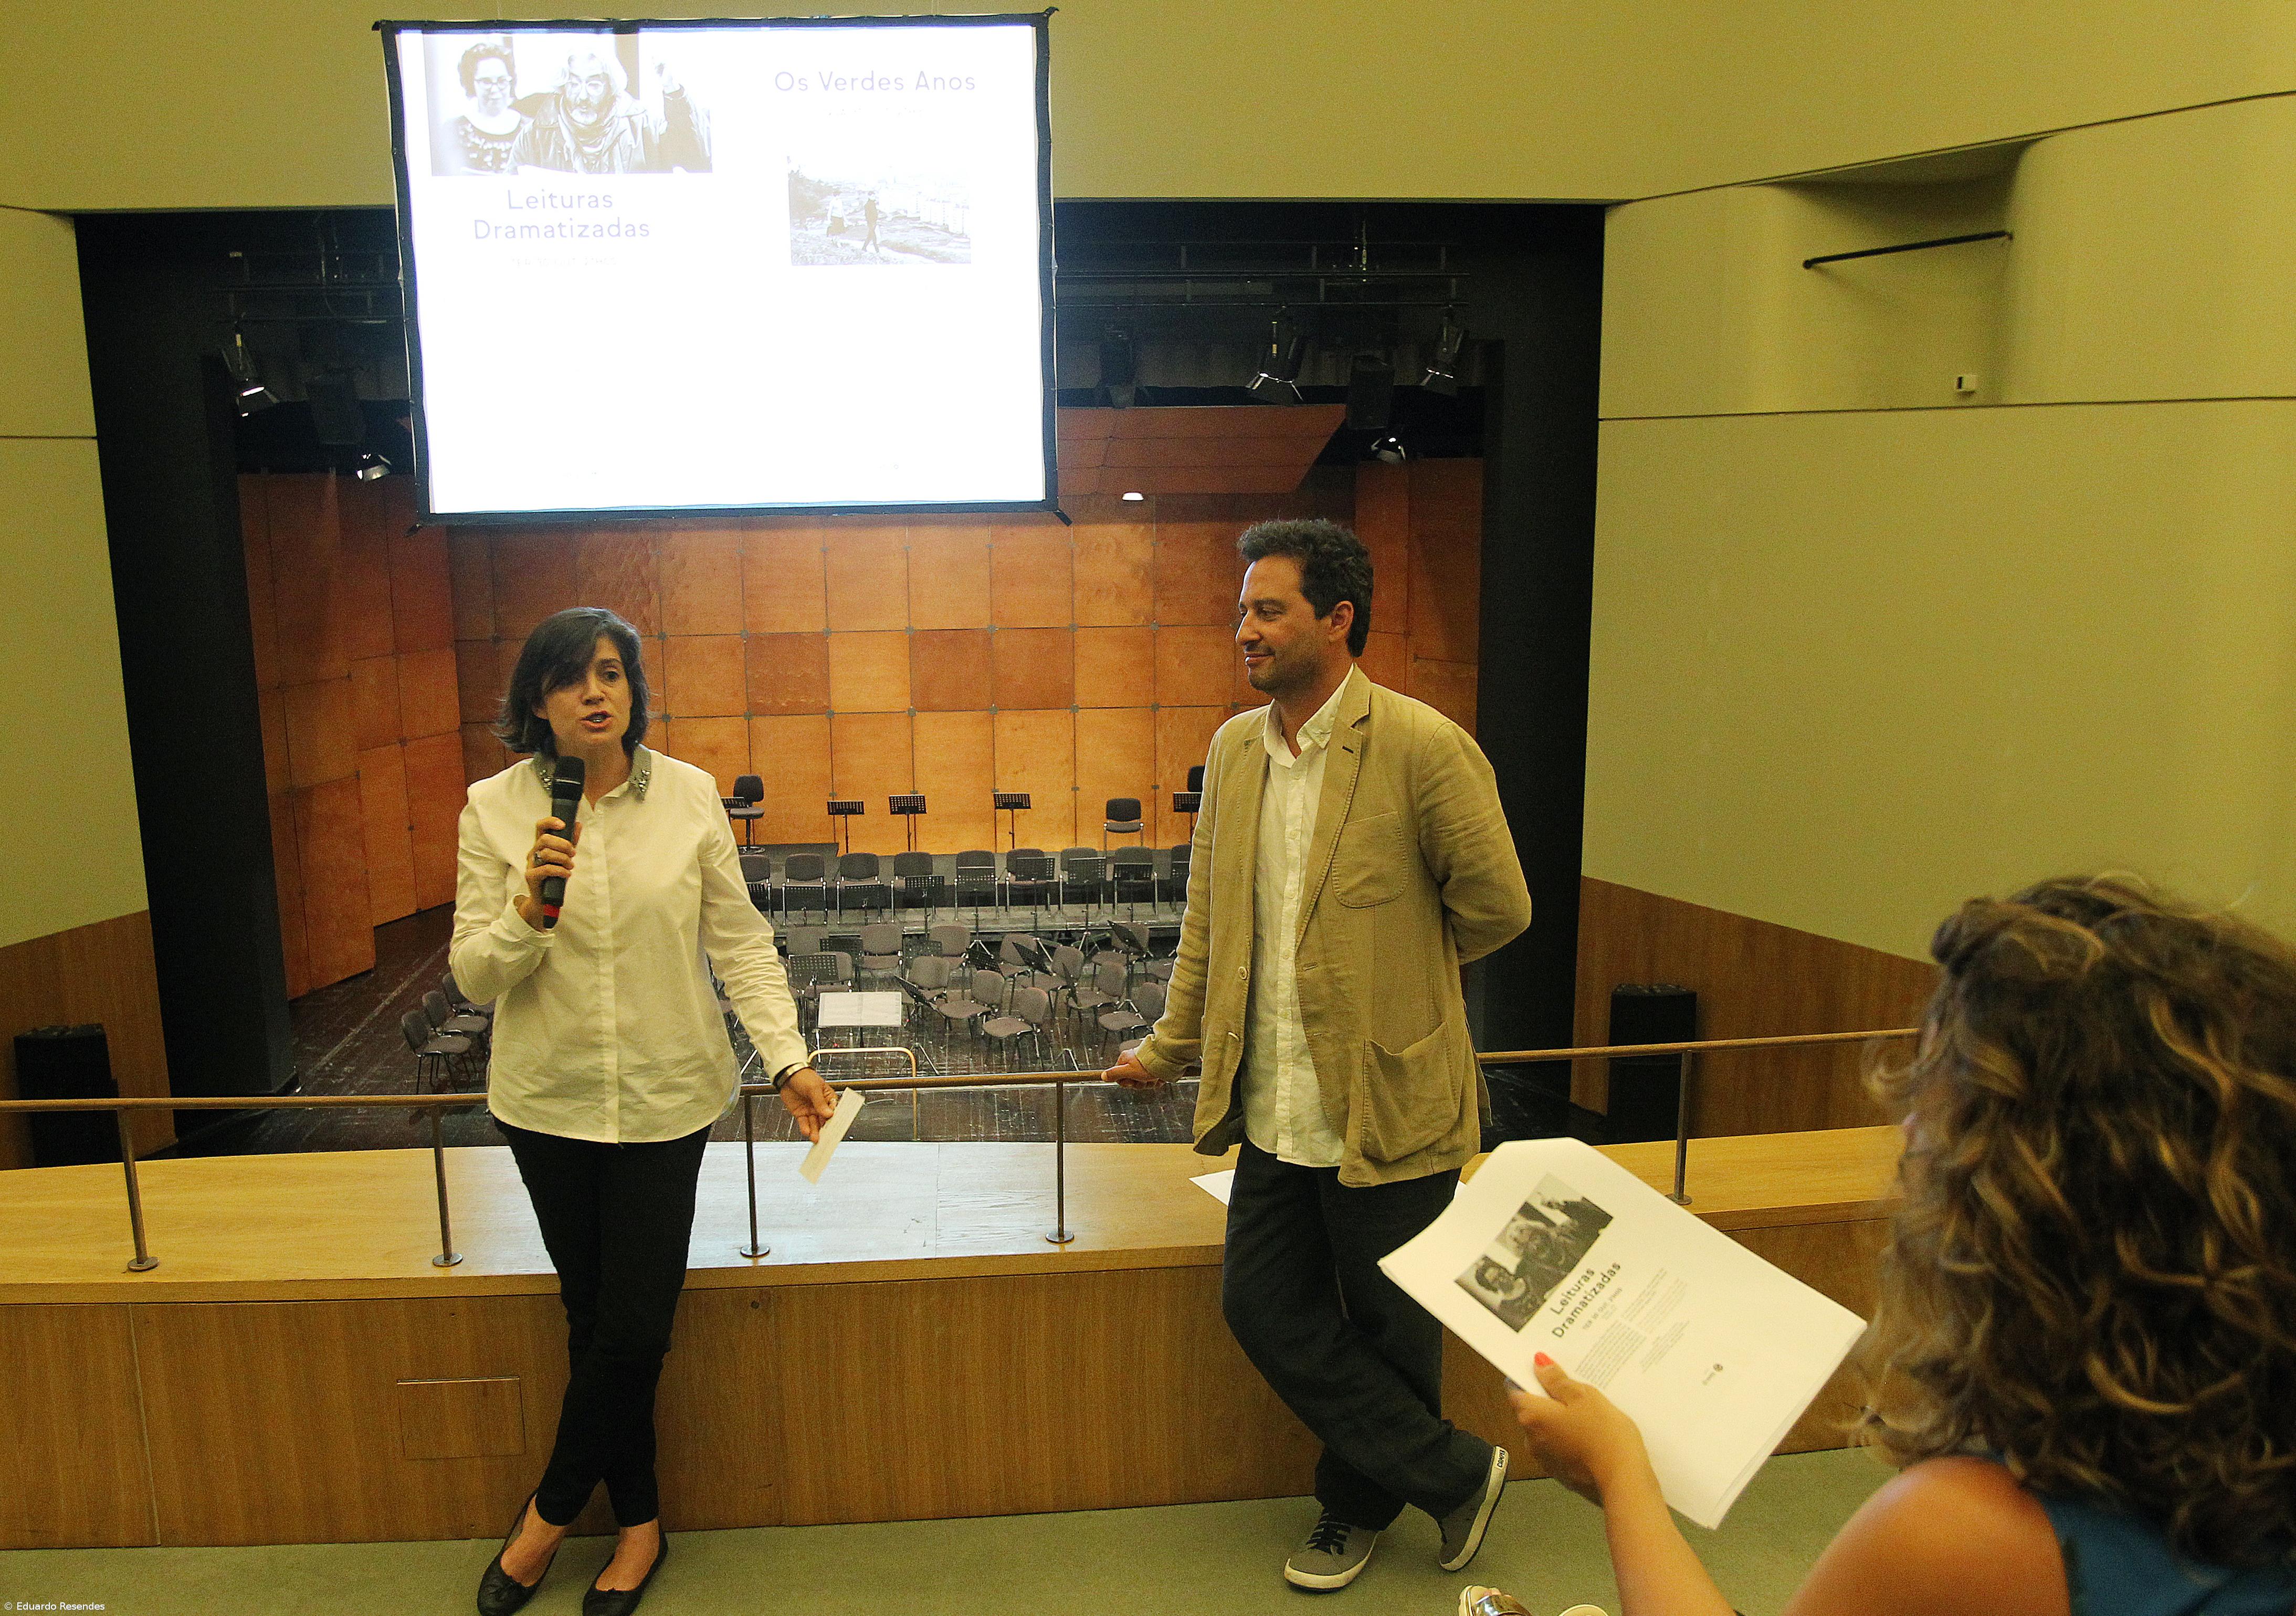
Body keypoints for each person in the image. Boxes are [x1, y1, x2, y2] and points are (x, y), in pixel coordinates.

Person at [1486, 876, 2296, 1616]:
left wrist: (1621, 1476)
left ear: (2032, 1206)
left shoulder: (1961, 1535)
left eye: (1941, 1094)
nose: (1907, 1131)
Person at [1107, 519, 1532, 1591]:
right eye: (1241, 610)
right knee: (1259, 1302)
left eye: (1268, 610)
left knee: (1393, 1326)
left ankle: (1350, 1511)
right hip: (1273, 1103)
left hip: (1389, 1097)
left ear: (1337, 619)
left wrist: (1397, 978)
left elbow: (1499, 906)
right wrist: (1165, 1048)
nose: (1242, 630)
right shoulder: (1233, 751)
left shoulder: (1422, 745)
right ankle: (1455, 1472)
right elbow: (1209, 921)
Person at [454, 607, 835, 1616]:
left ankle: (545, 1517)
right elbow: (474, 973)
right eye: (570, 677)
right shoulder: (493, 808)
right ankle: (638, 1526)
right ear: (536, 702)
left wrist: (786, 1055)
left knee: (631, 1328)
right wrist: (527, 910)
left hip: (668, 1099)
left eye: (611, 672)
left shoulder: (691, 795)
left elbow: (739, 940)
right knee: (593, 1323)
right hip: (547, 1102)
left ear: (632, 689)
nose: (595, 692)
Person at [511, 45, 710, 175]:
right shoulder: (534, 138)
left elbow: (696, 159)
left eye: (594, 85)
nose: (582, 96)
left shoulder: (644, 128)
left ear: (611, 88)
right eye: (574, 84)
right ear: (562, 86)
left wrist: (672, 89)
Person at [443, 38, 528, 175]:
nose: (495, 90)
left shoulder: (530, 129)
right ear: (471, 83)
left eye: (502, 81)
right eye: (486, 82)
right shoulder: (454, 129)